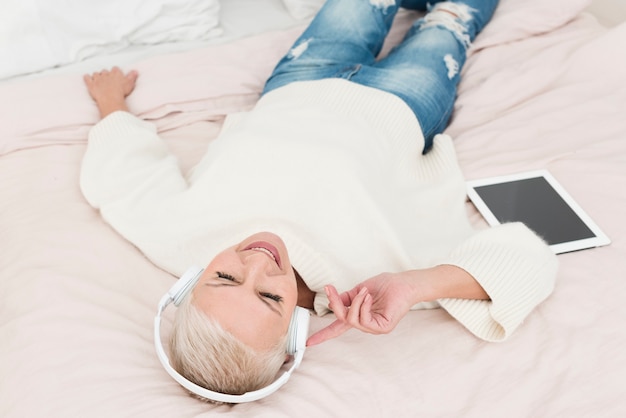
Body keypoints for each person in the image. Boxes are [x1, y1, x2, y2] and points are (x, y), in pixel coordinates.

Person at [80, 0, 558, 399]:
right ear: (293, 331)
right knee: (454, 17)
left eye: (224, 277)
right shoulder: (370, 285)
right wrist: (416, 285)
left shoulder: (174, 236)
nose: (257, 264)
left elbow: (120, 174)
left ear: (186, 288)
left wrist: (111, 104)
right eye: (269, 296)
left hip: (298, 82)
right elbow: (527, 260)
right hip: (404, 103)